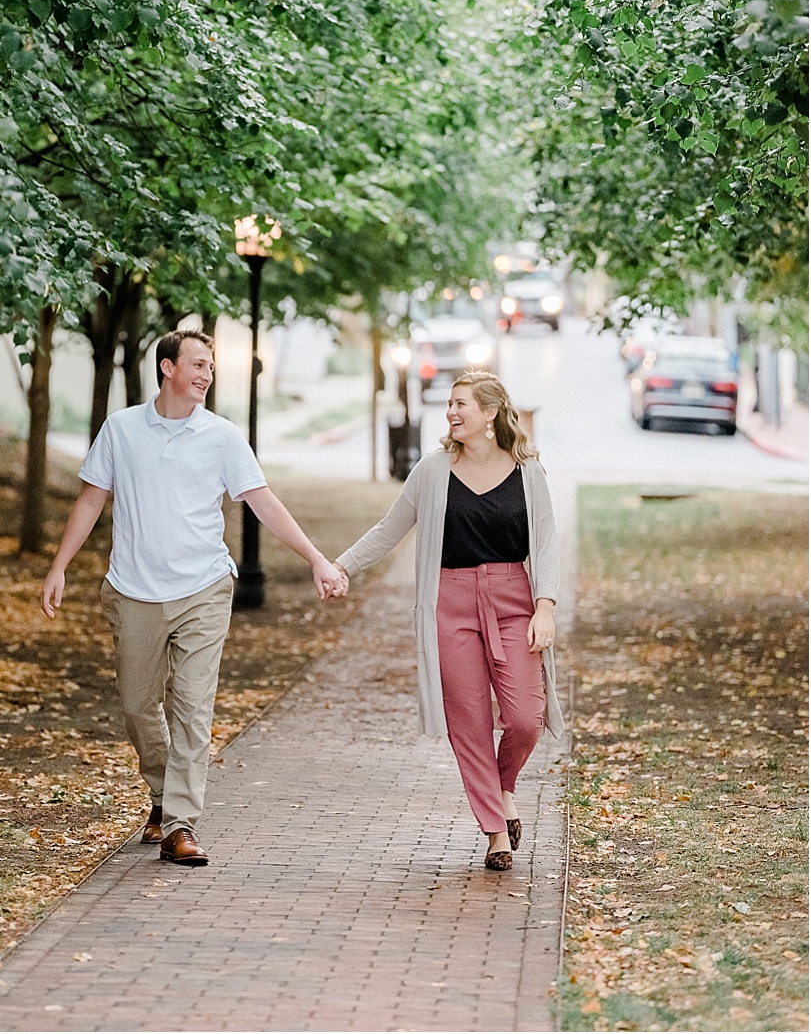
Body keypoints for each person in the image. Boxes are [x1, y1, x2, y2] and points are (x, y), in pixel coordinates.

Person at [41, 329, 344, 867]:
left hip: (204, 587)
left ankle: (180, 822)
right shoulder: (122, 429)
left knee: (192, 708)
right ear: (166, 368)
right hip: (133, 589)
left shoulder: (222, 437)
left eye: (210, 367)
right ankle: (161, 792)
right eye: (198, 364)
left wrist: (316, 558)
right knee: (138, 706)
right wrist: (59, 565)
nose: (206, 375)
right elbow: (91, 500)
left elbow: (262, 501)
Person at [331, 370, 564, 871]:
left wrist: (544, 605)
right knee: (470, 721)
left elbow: (545, 543)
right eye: (451, 405)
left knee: (526, 717)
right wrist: (341, 566)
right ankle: (495, 831)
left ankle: (503, 787)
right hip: (450, 601)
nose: (452, 413)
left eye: (462, 404)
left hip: (513, 599)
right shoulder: (434, 472)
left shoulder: (528, 472)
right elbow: (390, 528)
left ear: (490, 414)